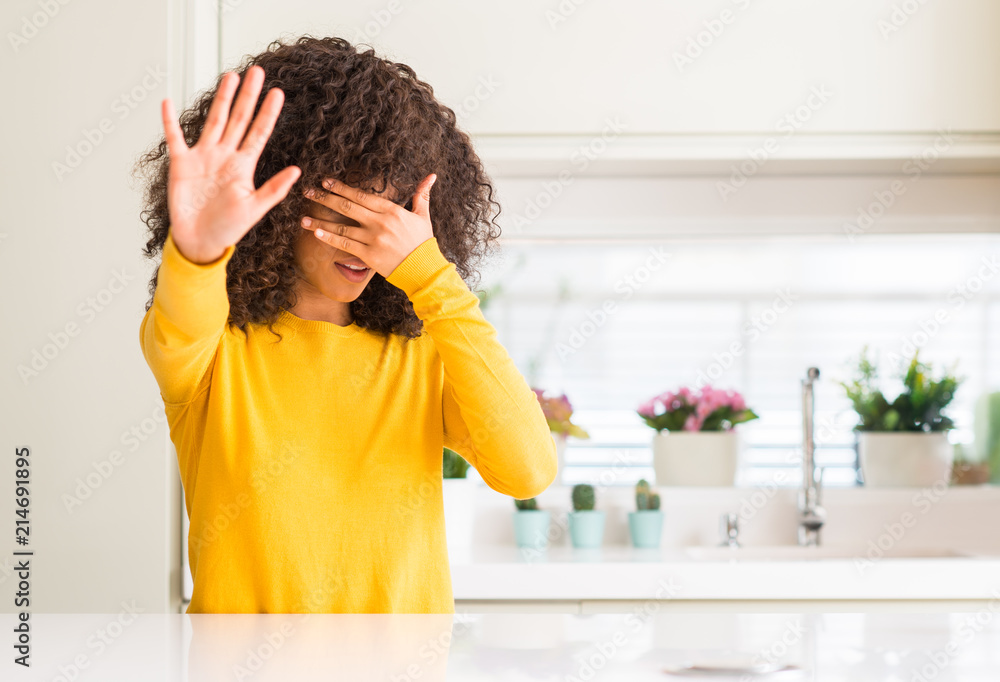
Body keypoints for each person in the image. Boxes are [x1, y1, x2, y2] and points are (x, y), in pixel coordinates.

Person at [133, 35, 557, 613]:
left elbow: (527, 469)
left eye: (387, 213)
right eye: (342, 206)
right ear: (278, 204)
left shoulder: (424, 352)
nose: (365, 237)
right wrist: (200, 249)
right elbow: (185, 313)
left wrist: (431, 277)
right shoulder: (213, 350)